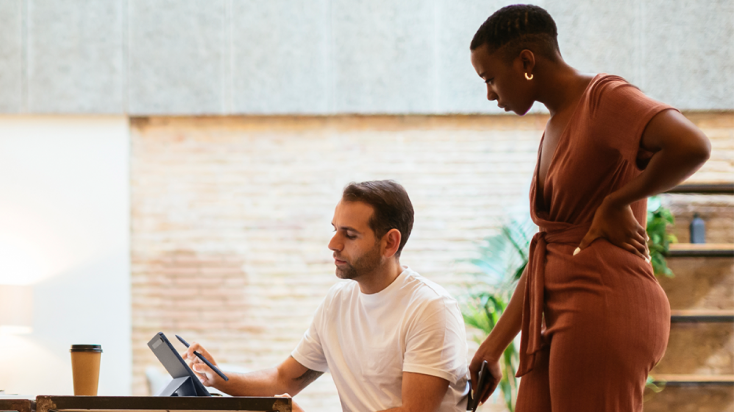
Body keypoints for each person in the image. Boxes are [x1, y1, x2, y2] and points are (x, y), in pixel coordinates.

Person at [468, 5, 710, 412]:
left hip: (605, 302)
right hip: (560, 311)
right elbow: (551, 247)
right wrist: (494, 343)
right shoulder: (555, 124)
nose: (490, 93)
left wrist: (619, 200)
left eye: (490, 78)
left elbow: (692, 146)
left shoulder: (604, 98)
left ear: (526, 61)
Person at [184, 180, 469, 412]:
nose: (333, 244)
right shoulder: (339, 302)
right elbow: (283, 379)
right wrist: (218, 378)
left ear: (390, 243)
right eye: (335, 230)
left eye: (350, 235)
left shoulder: (431, 309)